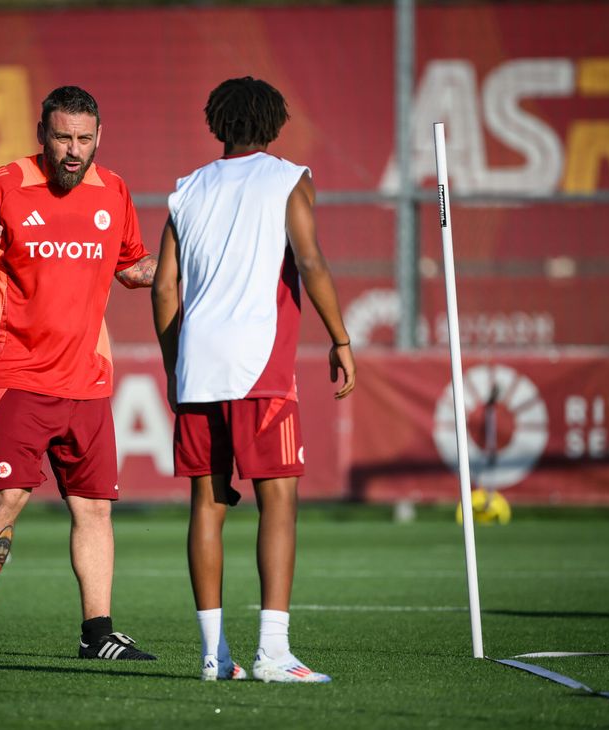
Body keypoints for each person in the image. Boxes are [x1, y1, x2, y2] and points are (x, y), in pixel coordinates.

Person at [0, 86, 158, 661]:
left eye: (84, 139)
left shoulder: (113, 190)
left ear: (98, 138)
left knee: (93, 508)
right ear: (42, 132)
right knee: (8, 496)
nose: (73, 150)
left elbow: (133, 268)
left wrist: (192, 264)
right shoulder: (5, 185)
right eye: (63, 137)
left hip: (87, 381)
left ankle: (98, 632)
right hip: (19, 376)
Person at [151, 77, 356, 682]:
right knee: (279, 500)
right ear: (274, 122)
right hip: (260, 367)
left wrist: (174, 365)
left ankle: (214, 656)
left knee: (207, 505)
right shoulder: (289, 178)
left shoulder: (185, 190)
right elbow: (311, 260)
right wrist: (340, 339)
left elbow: (165, 287)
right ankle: (273, 652)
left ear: (217, 122)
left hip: (199, 367)